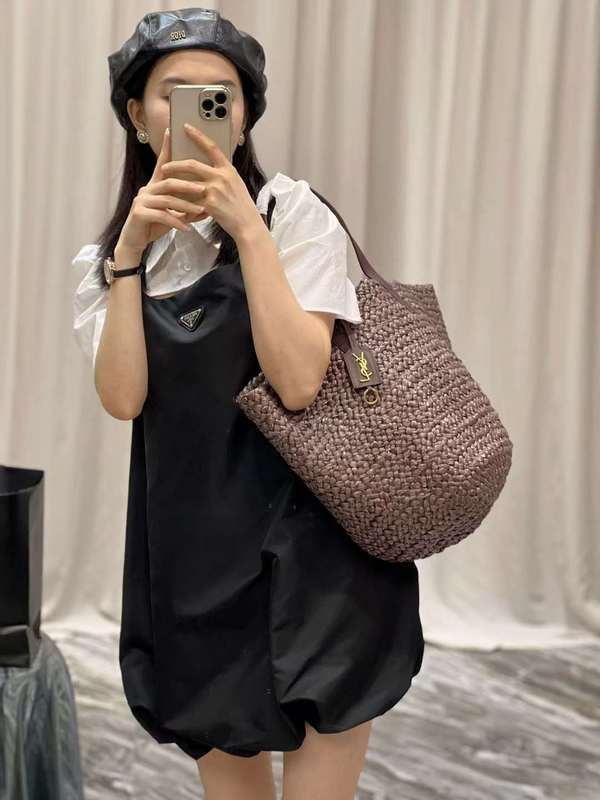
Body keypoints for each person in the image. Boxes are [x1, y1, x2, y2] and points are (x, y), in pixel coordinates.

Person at [71, 8, 424, 800]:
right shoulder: (108, 261)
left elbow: (298, 381)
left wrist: (248, 233)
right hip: (197, 559)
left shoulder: (294, 216)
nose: (199, 112)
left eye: (220, 97)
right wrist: (129, 257)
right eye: (175, 94)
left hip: (324, 555)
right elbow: (123, 399)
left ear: (244, 118)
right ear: (137, 115)